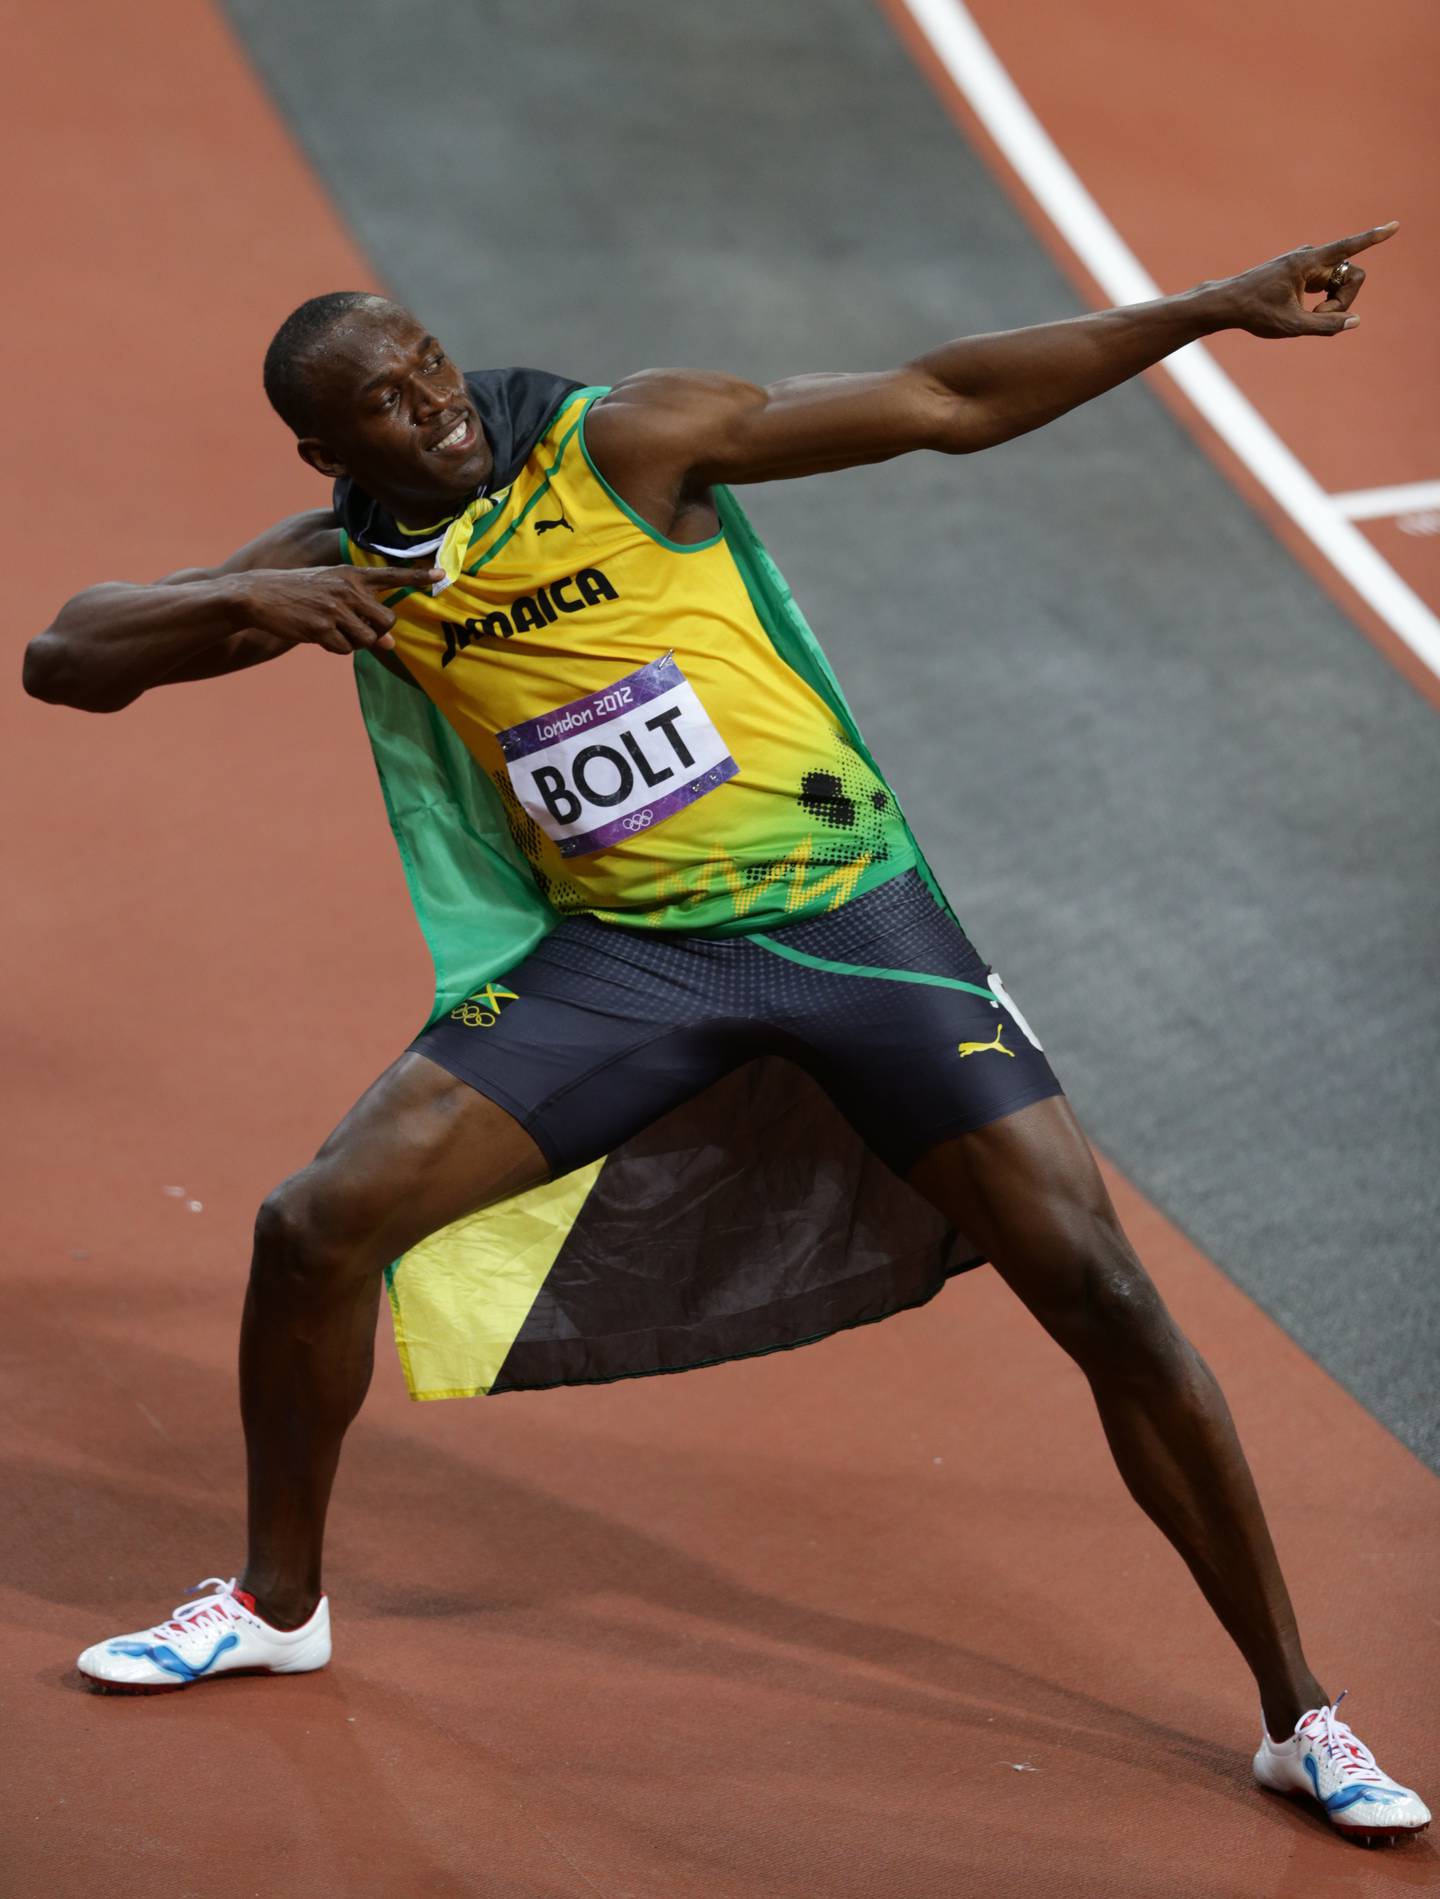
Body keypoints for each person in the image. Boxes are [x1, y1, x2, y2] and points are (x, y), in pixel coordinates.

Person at [24, 221, 1428, 1844]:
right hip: (630, 960)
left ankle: (1300, 1713)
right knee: (315, 1221)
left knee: (1099, 1281)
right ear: (329, 452)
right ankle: (278, 1604)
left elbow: (942, 399)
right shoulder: (344, 561)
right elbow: (69, 657)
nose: (437, 413)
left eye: (430, 372)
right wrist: (271, 603)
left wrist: (1211, 309)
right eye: (393, 413)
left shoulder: (623, 440)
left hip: (857, 929)